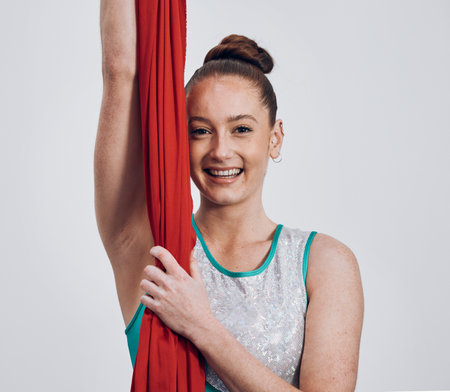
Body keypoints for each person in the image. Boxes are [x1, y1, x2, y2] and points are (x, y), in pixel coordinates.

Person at [94, 1, 364, 391]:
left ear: (275, 138)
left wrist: (201, 326)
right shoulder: (151, 250)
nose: (221, 150)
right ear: (179, 141)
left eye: (241, 129)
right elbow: (120, 72)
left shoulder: (325, 264)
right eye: (200, 131)